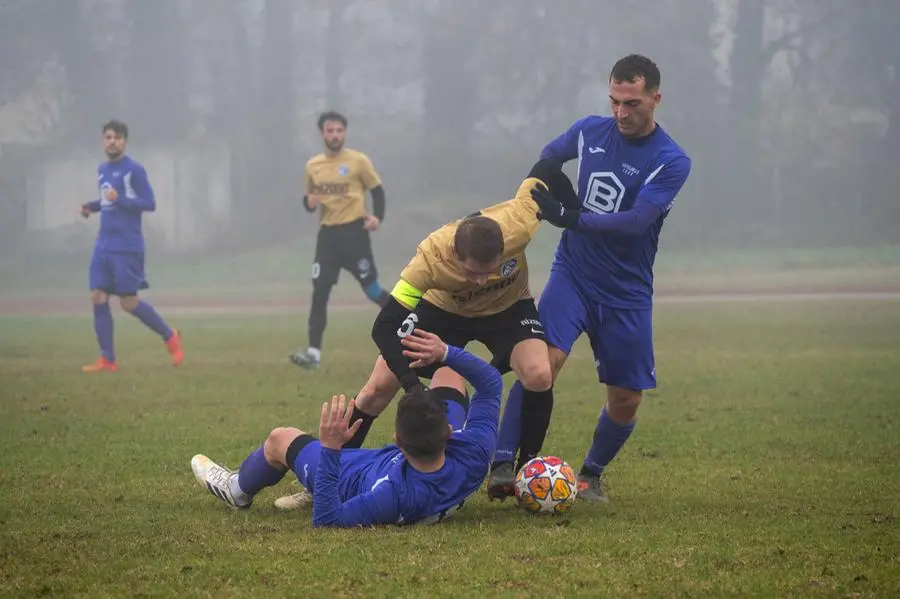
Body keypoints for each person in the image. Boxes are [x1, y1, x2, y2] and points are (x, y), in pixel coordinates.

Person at [273, 160, 579, 510]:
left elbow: (548, 167)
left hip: (508, 309)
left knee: (540, 374)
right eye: (472, 273)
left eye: (490, 270)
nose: (481, 281)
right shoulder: (429, 259)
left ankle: (526, 471)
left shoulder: (518, 225)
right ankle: (325, 482)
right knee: (375, 390)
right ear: (454, 255)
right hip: (444, 311)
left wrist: (575, 215)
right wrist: (413, 385)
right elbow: (384, 326)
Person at [493, 54, 692, 502]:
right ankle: (503, 463)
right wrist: (544, 186)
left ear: (656, 99)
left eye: (633, 103)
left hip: (626, 293)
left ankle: (590, 476)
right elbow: (548, 156)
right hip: (573, 275)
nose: (621, 113)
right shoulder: (588, 131)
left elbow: (636, 221)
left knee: (626, 399)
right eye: (615, 101)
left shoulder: (672, 160)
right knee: (540, 365)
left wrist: (571, 216)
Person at [191, 329, 502, 527]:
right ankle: (444, 367)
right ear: (448, 429)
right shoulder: (474, 452)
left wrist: (330, 448)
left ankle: (237, 489)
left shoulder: (392, 494)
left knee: (279, 439)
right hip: (434, 466)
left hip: (348, 476)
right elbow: (490, 382)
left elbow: (327, 519)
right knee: (448, 373)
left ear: (398, 442)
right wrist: (445, 353)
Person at [79, 120, 184, 372]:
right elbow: (108, 202)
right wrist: (91, 207)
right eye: (107, 137)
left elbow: (149, 203)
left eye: (116, 137)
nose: (111, 141)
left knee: (129, 303)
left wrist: (122, 198)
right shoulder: (102, 170)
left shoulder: (134, 170)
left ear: (124, 141)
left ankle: (169, 335)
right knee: (97, 296)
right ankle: (107, 359)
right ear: (102, 141)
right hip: (104, 244)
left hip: (127, 246)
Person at [290, 111, 391, 369]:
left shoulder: (358, 161)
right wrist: (308, 203)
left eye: (338, 131)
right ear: (322, 134)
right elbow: (309, 202)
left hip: (355, 234)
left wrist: (377, 217)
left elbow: (377, 191)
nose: (334, 135)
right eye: (329, 131)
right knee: (320, 292)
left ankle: (412, 327)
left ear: (344, 133)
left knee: (373, 290)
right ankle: (313, 353)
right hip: (328, 238)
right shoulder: (313, 166)